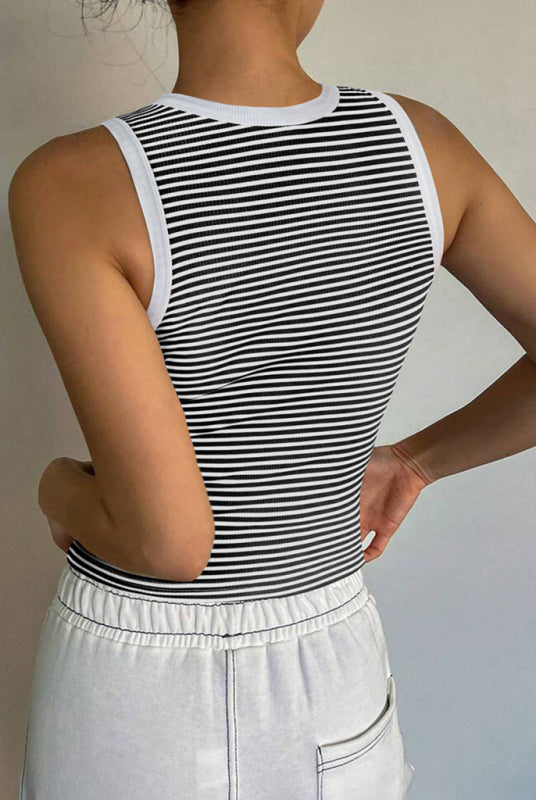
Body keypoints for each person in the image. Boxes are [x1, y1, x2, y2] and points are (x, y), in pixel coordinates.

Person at [8, 0, 536, 797]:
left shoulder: (72, 183)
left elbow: (167, 545)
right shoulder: (421, 146)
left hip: (138, 686)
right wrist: (416, 462)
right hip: (332, 658)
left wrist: (54, 487)